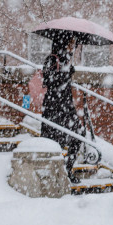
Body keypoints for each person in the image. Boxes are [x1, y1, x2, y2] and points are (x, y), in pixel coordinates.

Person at [41, 35, 83, 181]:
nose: (73, 45)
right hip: (55, 107)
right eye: (71, 42)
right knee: (56, 141)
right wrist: (66, 73)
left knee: (78, 135)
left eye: (74, 43)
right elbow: (49, 82)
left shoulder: (64, 59)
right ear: (63, 42)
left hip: (66, 107)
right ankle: (59, 174)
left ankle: (67, 170)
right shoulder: (53, 60)